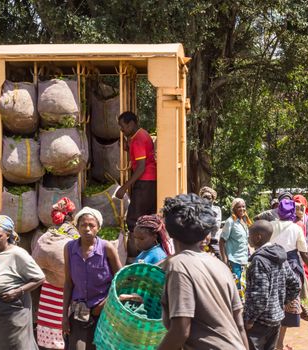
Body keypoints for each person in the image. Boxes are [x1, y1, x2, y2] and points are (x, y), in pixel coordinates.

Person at [157, 193, 249, 350]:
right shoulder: (220, 266)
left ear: (168, 230)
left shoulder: (178, 267)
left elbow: (180, 331)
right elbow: (239, 324)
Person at [0, 215, 46, 350]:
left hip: (11, 313)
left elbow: (39, 277)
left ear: (7, 235)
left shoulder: (17, 254)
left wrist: (18, 291)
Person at [62, 207, 123, 350]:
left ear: (98, 228)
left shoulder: (107, 248)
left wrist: (104, 304)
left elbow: (120, 280)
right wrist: (64, 315)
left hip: (104, 312)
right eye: (83, 225)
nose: (87, 229)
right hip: (79, 311)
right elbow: (68, 283)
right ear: (77, 227)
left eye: (91, 225)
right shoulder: (69, 248)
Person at [244, 220, 301, 350]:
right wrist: (281, 302)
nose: (248, 238)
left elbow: (260, 297)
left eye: (250, 234)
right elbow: (295, 284)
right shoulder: (280, 257)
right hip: (276, 319)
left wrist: (249, 319)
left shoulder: (259, 260)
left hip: (259, 322)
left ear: (258, 237)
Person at [269, 199, 308, 350]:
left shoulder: (270, 225)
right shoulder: (296, 228)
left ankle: (272, 342)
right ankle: (280, 342)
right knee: (287, 307)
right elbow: (303, 251)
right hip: (290, 268)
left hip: (272, 267)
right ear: (291, 213)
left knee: (273, 305)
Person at [36, 197, 78, 350]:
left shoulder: (50, 231)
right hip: (65, 287)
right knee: (63, 319)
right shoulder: (74, 232)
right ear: (71, 215)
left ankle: (48, 344)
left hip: (49, 284)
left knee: (49, 317)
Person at [115, 111, 157, 257]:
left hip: (144, 182)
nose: (122, 130)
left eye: (123, 126)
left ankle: (135, 256)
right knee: (148, 219)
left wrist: (124, 187)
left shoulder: (138, 139)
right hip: (150, 182)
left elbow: (141, 167)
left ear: (131, 124)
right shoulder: (142, 134)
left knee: (133, 221)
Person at [220, 198, 252, 300]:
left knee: (244, 286)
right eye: (239, 207)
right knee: (236, 288)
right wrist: (224, 259)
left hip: (244, 259)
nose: (242, 209)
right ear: (234, 209)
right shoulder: (230, 222)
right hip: (234, 260)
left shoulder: (245, 221)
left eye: (243, 206)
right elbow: (221, 241)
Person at [199, 186, 223, 258]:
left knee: (219, 257)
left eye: (209, 197)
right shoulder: (198, 209)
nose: (206, 199)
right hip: (201, 240)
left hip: (213, 239)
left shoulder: (217, 209)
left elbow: (217, 226)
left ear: (213, 199)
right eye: (204, 197)